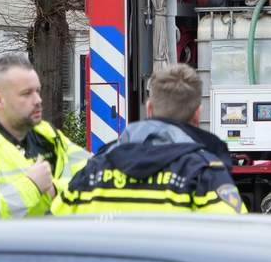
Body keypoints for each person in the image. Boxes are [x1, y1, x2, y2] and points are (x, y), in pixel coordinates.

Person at [53, 63, 246, 215]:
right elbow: (234, 244)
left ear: (150, 108)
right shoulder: (204, 173)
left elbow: (55, 228)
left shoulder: (94, 170)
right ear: (197, 114)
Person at [0, 53, 89, 221]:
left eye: (37, 91)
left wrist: (55, 189)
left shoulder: (49, 136)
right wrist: (31, 187)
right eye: (26, 93)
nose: (38, 100)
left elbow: (95, 174)